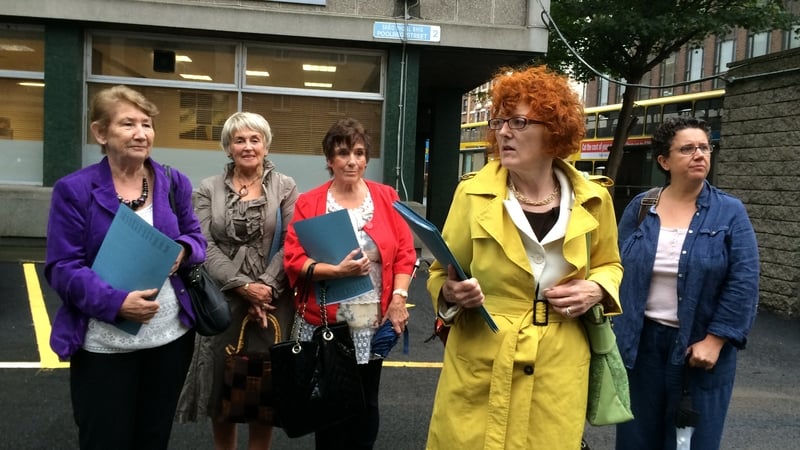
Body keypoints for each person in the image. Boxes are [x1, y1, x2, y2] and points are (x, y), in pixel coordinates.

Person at [425, 65, 623, 449]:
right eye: (499, 121)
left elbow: (610, 264)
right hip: (482, 359)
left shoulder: (595, 199)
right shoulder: (472, 194)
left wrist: (597, 289)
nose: (502, 132)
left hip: (558, 365)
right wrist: (451, 294)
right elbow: (439, 271)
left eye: (518, 122)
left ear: (554, 130)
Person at [45, 85, 206, 449]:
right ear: (101, 133)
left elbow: (197, 237)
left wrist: (183, 249)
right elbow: (62, 267)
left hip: (169, 341)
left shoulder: (172, 181)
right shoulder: (74, 190)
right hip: (104, 346)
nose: (140, 133)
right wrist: (117, 303)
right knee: (105, 439)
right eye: (127, 124)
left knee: (153, 438)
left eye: (146, 124)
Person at [614, 117, 760, 450]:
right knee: (635, 441)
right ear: (664, 161)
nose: (699, 155)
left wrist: (716, 340)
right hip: (640, 348)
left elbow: (744, 281)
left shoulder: (729, 212)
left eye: (704, 147)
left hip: (699, 349)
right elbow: (615, 266)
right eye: (687, 148)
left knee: (691, 443)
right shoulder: (641, 207)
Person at [283, 117, 417, 449]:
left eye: (358, 153)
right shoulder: (309, 202)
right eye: (342, 153)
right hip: (325, 319)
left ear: (367, 158)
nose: (352, 161)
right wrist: (336, 271)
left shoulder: (386, 197)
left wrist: (398, 299)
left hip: (372, 319)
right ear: (330, 160)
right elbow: (294, 259)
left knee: (366, 400)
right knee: (329, 404)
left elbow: (404, 252)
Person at [175, 112, 298, 450]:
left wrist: (266, 287)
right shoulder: (207, 188)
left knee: (264, 391)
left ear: (266, 144)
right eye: (239, 140)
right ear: (228, 147)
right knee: (221, 388)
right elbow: (203, 244)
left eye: (254, 139)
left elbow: (292, 241)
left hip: (272, 298)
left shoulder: (285, 186)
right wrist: (243, 286)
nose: (247, 146)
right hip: (222, 297)